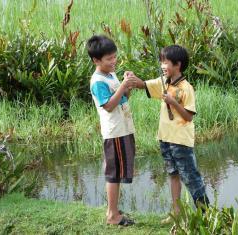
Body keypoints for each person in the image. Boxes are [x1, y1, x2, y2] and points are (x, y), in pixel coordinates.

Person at [127, 45, 210, 223]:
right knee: (173, 175)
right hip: (165, 139)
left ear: (177, 65)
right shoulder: (163, 81)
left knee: (191, 178)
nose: (162, 65)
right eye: (161, 61)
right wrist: (132, 79)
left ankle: (207, 215)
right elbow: (143, 85)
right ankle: (176, 213)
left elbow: (188, 116)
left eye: (166, 62)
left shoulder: (186, 88)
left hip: (180, 141)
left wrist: (173, 102)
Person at [86, 35, 138, 226]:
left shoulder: (111, 74)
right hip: (114, 132)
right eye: (109, 59)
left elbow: (124, 98)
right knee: (113, 173)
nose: (114, 61)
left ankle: (114, 210)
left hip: (123, 129)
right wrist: (123, 86)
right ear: (96, 60)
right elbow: (108, 105)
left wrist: (127, 84)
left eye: (115, 57)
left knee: (118, 171)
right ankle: (112, 215)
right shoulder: (98, 81)